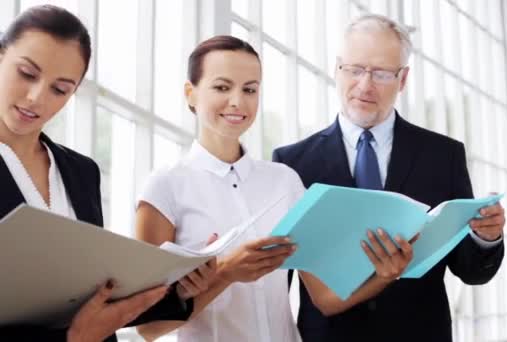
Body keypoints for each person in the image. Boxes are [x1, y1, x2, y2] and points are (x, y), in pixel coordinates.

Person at [134, 34, 417, 342]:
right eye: (222, 87)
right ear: (191, 93)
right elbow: (149, 326)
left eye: (250, 89)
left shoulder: (284, 181)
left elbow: (325, 298)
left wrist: (386, 275)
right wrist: (226, 273)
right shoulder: (165, 186)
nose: (237, 102)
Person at [272, 14, 506, 341]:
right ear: (337, 69)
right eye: (355, 70)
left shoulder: (443, 155)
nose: (365, 85)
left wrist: (487, 237)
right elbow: (277, 282)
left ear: (403, 78)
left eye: (381, 73)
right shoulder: (292, 163)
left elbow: (470, 270)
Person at [0, 5, 213, 342]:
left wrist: (179, 288)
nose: (36, 98)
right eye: (26, 73)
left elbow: (96, 295)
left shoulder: (81, 172)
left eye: (60, 89)